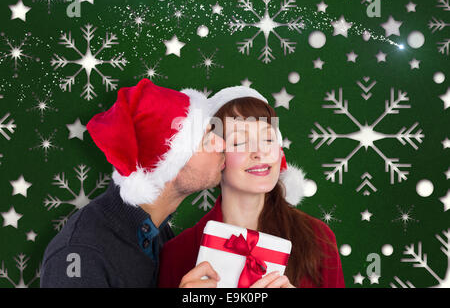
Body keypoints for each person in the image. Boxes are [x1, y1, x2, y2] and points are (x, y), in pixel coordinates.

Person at [40, 78, 223, 287]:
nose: (222, 144)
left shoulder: (156, 232)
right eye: (207, 139)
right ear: (170, 165)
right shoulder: (80, 253)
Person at [158, 86, 345, 288]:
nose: (259, 152)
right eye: (240, 142)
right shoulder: (178, 253)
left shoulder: (317, 237)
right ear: (217, 155)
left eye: (268, 139)